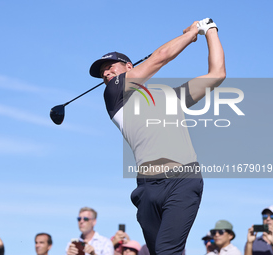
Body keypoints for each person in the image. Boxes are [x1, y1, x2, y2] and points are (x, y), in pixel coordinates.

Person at [89, 18, 225, 255]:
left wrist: (210, 30)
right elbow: (160, 57)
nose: (106, 74)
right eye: (102, 73)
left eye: (111, 67)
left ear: (129, 67)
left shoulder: (172, 98)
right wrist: (192, 33)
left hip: (183, 180)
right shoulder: (113, 94)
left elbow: (216, 75)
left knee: (166, 251)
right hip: (147, 189)